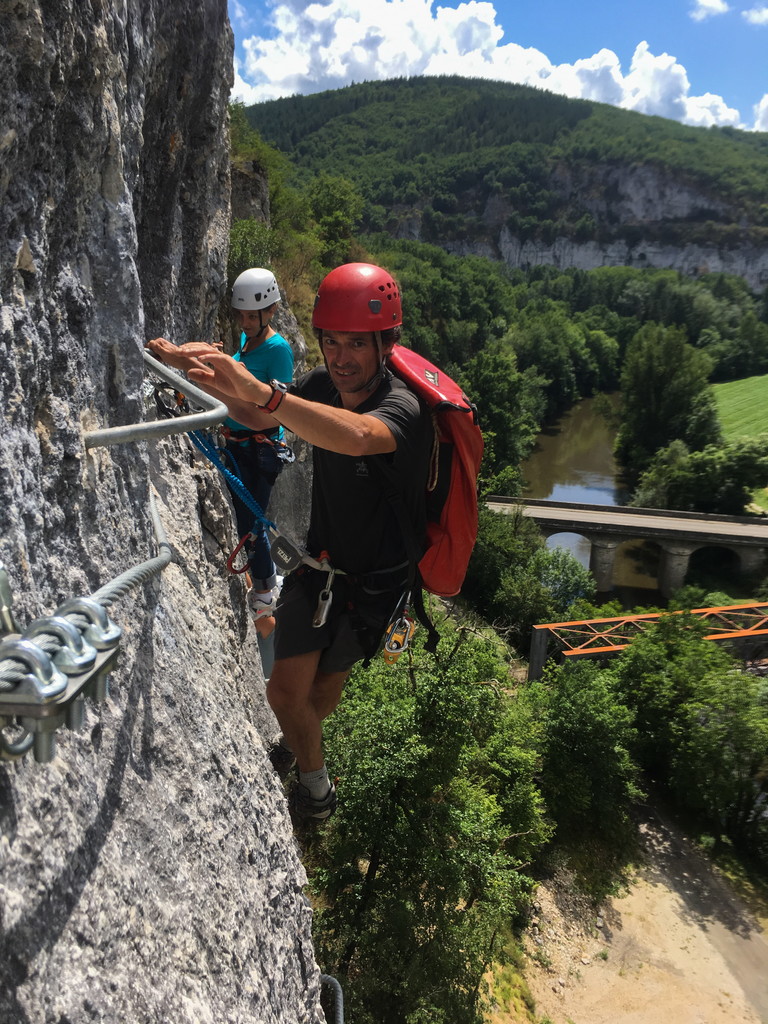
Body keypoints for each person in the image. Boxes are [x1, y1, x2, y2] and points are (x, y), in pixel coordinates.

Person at [185, 262, 434, 822]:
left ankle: (301, 752)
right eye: (330, 342)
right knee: (284, 693)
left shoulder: (403, 409)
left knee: (320, 692)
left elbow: (356, 436)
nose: (340, 357)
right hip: (321, 570)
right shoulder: (323, 386)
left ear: (386, 343)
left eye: (356, 344)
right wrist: (207, 375)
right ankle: (318, 791)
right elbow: (259, 412)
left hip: (375, 586)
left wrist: (263, 396)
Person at [148, 268, 294, 637]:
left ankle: (264, 594)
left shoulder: (279, 352)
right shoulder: (248, 341)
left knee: (252, 525)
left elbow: (263, 413)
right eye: (241, 315)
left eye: (252, 315)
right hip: (238, 444)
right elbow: (234, 381)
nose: (244, 322)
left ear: (271, 310)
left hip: (259, 448)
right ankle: (261, 585)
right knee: (244, 519)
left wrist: (188, 365)